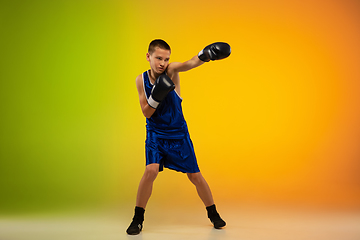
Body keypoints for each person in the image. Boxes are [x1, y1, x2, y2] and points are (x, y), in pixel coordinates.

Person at [126, 39, 231, 235]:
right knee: (150, 172)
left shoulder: (171, 71)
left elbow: (189, 63)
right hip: (155, 134)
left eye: (166, 59)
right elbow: (147, 113)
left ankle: (213, 214)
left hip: (178, 134)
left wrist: (205, 54)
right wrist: (157, 96)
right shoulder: (140, 80)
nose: (162, 63)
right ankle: (137, 218)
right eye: (158, 58)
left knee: (195, 176)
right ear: (148, 57)